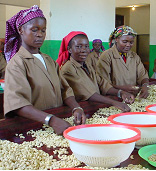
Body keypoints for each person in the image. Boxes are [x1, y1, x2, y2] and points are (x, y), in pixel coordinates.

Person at [3, 5, 86, 135]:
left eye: (43, 30)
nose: (40, 35)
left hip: (58, 122)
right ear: (21, 30)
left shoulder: (49, 60)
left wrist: (76, 107)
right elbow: (17, 103)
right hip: (34, 127)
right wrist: (51, 120)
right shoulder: (17, 64)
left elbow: (65, 90)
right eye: (34, 30)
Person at [57, 31, 135, 112]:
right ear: (69, 49)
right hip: (82, 110)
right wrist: (114, 102)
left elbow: (102, 84)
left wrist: (121, 93)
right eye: (79, 46)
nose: (84, 50)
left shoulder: (87, 65)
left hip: (95, 105)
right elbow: (88, 93)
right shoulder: (68, 69)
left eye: (86, 46)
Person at [96, 25, 149, 98]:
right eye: (124, 41)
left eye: (131, 42)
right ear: (117, 39)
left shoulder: (134, 56)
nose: (128, 45)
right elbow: (103, 83)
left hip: (133, 97)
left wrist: (145, 85)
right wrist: (122, 89)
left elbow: (142, 75)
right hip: (114, 97)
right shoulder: (106, 56)